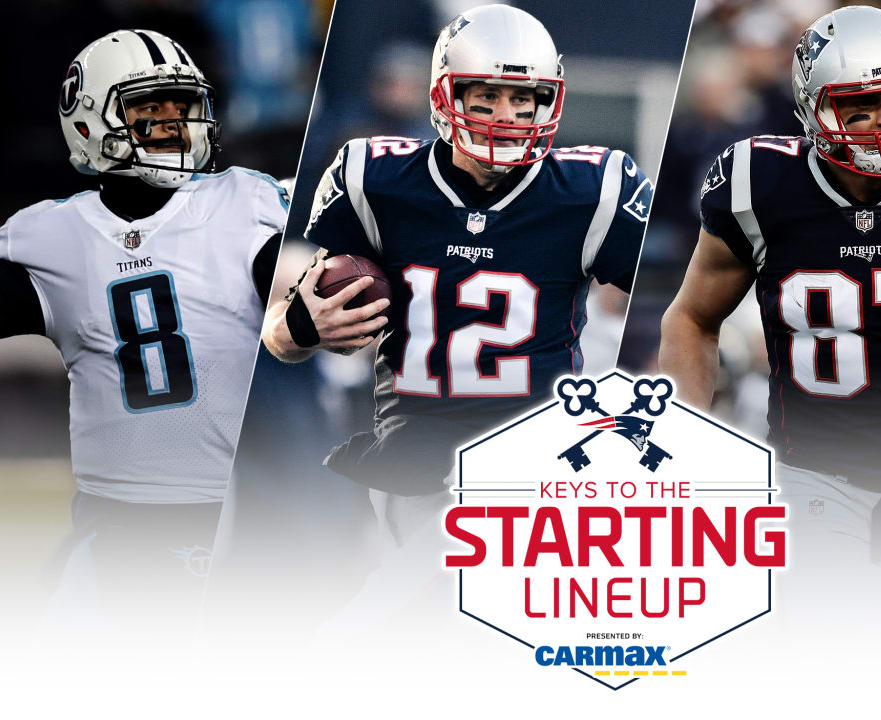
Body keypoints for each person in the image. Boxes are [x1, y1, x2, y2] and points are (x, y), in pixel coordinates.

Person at [658, 6, 881, 628]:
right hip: (814, 473)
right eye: (862, 106)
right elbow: (691, 318)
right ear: (812, 113)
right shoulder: (758, 183)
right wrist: (688, 439)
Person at [260, 4, 649, 565]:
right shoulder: (376, 179)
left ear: (549, 101)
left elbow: (666, 306)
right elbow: (280, 336)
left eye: (523, 99)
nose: (505, 114)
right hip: (415, 463)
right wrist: (297, 327)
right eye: (486, 96)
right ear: (447, 96)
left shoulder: (593, 188)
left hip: (538, 462)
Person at [0, 30, 287, 632]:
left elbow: (297, 279)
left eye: (184, 109)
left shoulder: (243, 204)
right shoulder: (55, 238)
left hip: (241, 513)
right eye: (150, 110)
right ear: (89, 123)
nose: (174, 126)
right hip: (115, 527)